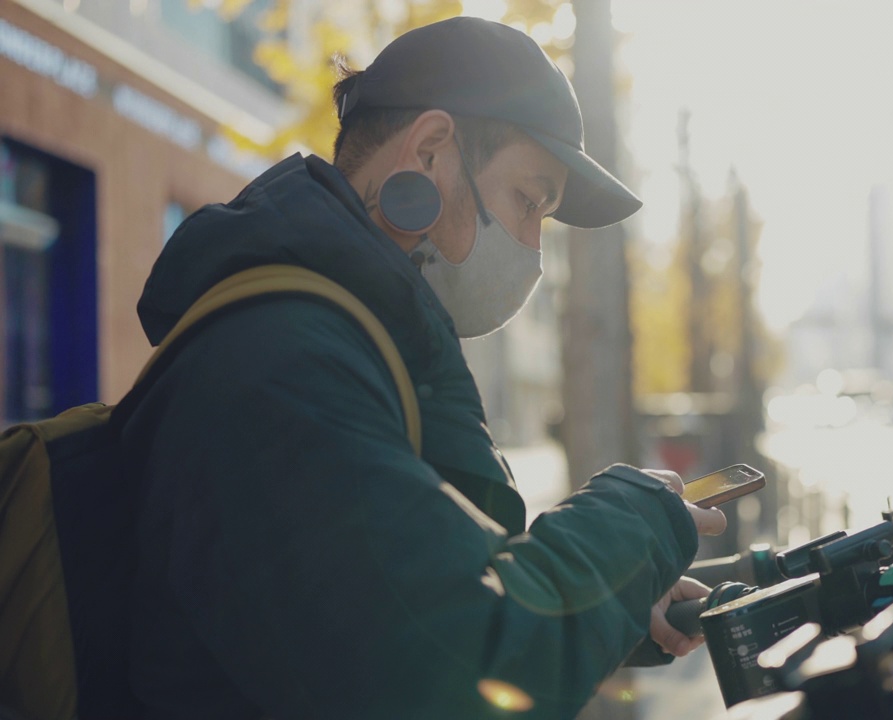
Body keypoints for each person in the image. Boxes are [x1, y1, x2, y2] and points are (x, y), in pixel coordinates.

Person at [118, 16, 726, 719]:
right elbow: (463, 668)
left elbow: (411, 608)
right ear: (432, 152)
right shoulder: (284, 363)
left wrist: (611, 602)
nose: (533, 248)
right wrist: (636, 520)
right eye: (529, 201)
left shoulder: (355, 351)